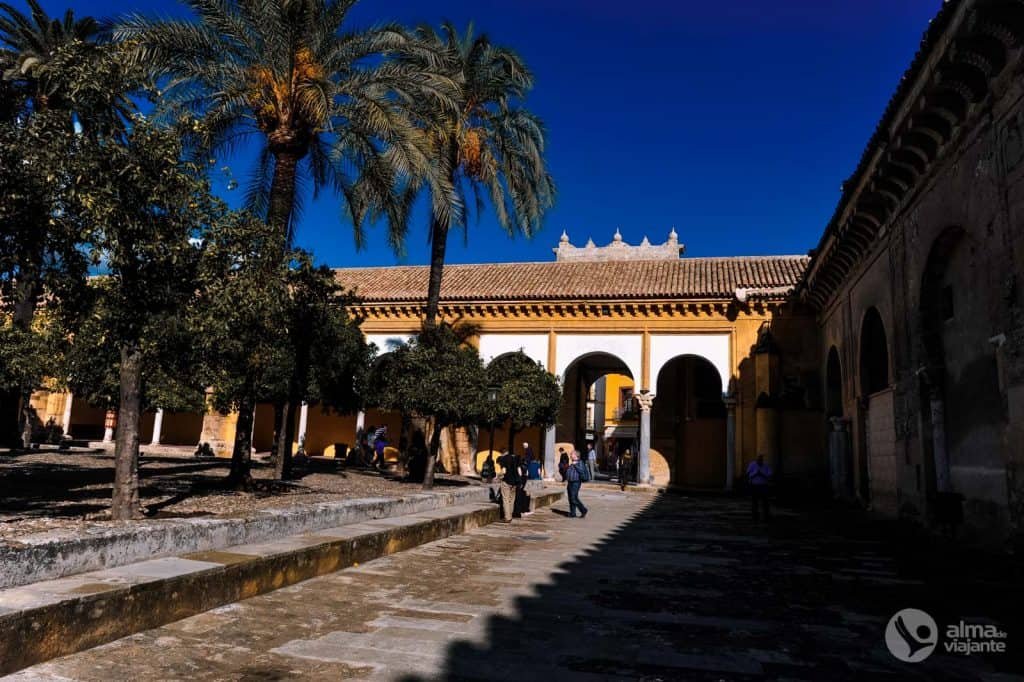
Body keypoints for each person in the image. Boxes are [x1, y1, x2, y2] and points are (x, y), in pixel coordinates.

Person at [747, 454, 773, 521]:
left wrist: (762, 474)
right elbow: (748, 474)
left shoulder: (766, 466)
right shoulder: (752, 465)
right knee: (754, 501)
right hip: (754, 486)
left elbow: (769, 475)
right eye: (758, 459)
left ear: (762, 460)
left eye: (761, 459)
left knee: (765, 501)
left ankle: (766, 515)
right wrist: (755, 474)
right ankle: (755, 515)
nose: (759, 460)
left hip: (763, 485)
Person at [497, 450, 520, 522]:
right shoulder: (514, 458)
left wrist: (498, 475)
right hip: (515, 482)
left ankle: (507, 517)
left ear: (502, 453)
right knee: (511, 500)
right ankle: (510, 514)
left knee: (506, 499)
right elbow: (519, 471)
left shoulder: (504, 459)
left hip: (506, 481)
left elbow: (504, 471)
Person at [564, 450, 589, 518]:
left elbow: (581, 471)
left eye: (571, 454)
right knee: (570, 498)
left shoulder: (580, 462)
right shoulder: (572, 462)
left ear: (576, 455)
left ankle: (583, 510)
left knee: (573, 498)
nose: (570, 455)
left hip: (576, 482)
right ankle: (573, 513)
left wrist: (575, 465)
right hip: (570, 481)